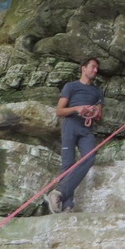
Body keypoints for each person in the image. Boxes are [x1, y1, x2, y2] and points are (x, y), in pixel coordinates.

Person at [45, 57, 104, 213]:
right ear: (83, 68)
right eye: (92, 67)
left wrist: (94, 113)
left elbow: (100, 117)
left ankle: (59, 193)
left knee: (89, 158)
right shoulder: (70, 86)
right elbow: (59, 111)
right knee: (68, 164)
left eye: (96, 68)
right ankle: (67, 205)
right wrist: (77, 109)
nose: (95, 70)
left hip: (87, 128)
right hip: (70, 125)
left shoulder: (98, 91)